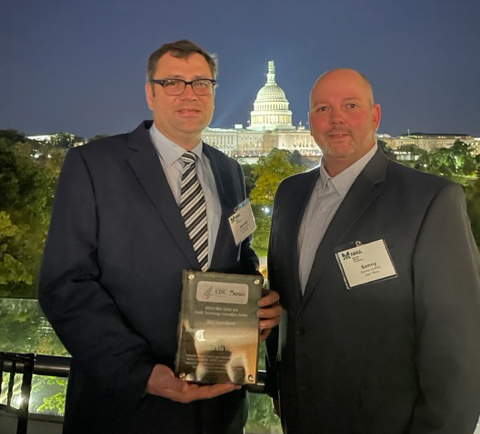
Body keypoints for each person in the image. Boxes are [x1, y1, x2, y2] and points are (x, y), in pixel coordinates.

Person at [39, 39, 281, 434]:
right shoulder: (94, 164)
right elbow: (66, 284)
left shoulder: (229, 171)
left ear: (214, 94)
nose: (189, 94)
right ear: (150, 93)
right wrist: (141, 372)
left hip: (218, 404)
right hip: (129, 405)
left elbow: (241, 255)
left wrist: (258, 297)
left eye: (201, 83)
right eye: (173, 83)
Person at [266, 68, 480, 434]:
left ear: (375, 116)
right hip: (300, 415)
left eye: (350, 105)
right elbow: (292, 306)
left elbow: (457, 346)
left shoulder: (430, 200)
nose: (336, 119)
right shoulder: (290, 194)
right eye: (322, 109)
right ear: (310, 122)